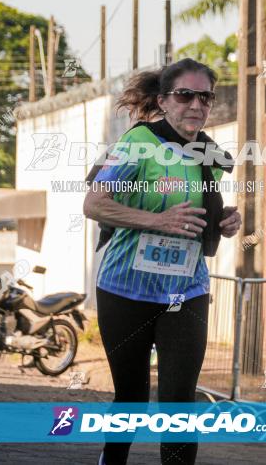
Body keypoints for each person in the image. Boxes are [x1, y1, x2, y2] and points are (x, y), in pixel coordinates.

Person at [83, 59, 242, 465]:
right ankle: (112, 459)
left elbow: (204, 209)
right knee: (132, 396)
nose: (196, 104)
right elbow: (95, 204)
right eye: (185, 95)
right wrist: (159, 220)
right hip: (125, 289)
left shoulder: (208, 152)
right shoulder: (139, 143)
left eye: (205, 96)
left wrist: (225, 221)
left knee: (178, 402)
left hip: (185, 291)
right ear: (163, 101)